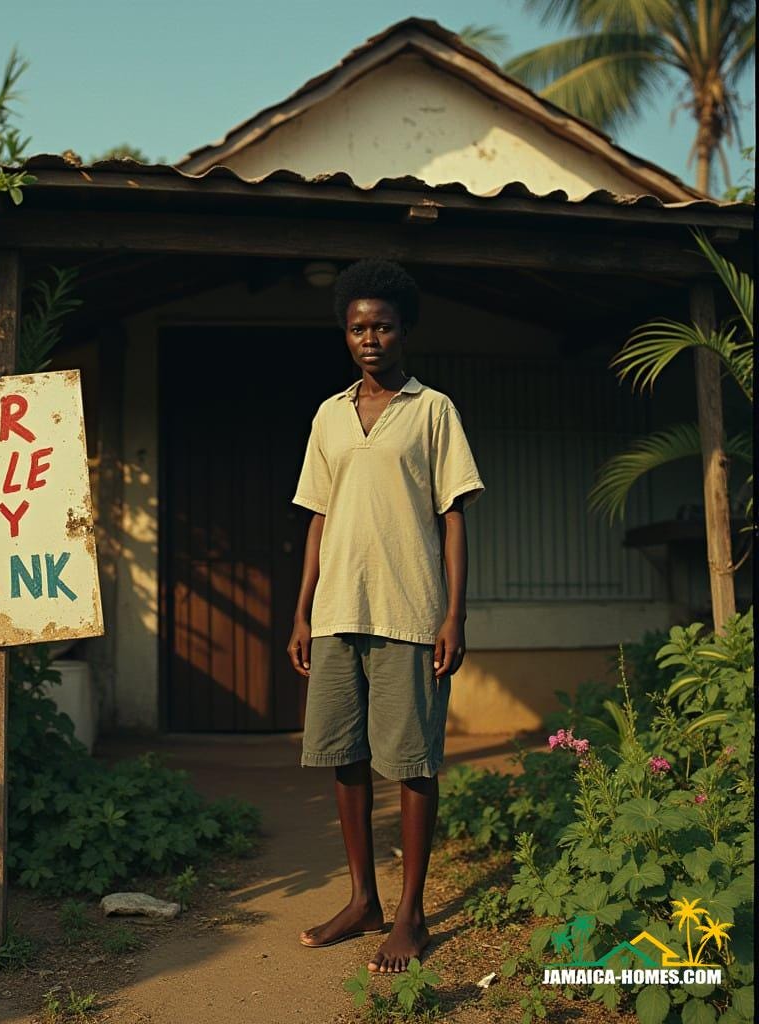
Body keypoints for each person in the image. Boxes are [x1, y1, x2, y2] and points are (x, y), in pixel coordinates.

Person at [287, 258, 485, 974]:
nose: (370, 338)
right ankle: (362, 898)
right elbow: (316, 517)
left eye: (383, 326)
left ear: (405, 330)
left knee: (412, 762)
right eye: (357, 327)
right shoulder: (329, 415)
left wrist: (454, 615)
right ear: (345, 334)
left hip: (410, 611)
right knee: (344, 755)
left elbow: (453, 516)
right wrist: (302, 611)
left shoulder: (433, 411)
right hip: (339, 609)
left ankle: (411, 913)